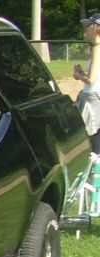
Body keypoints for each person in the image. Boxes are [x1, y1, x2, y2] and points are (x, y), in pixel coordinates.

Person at [74, 14, 100, 153]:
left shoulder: (97, 47)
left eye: (88, 26)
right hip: (94, 95)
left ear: (96, 28)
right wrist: (82, 73)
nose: (86, 30)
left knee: (92, 136)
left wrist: (78, 75)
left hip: (93, 97)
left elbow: (91, 80)